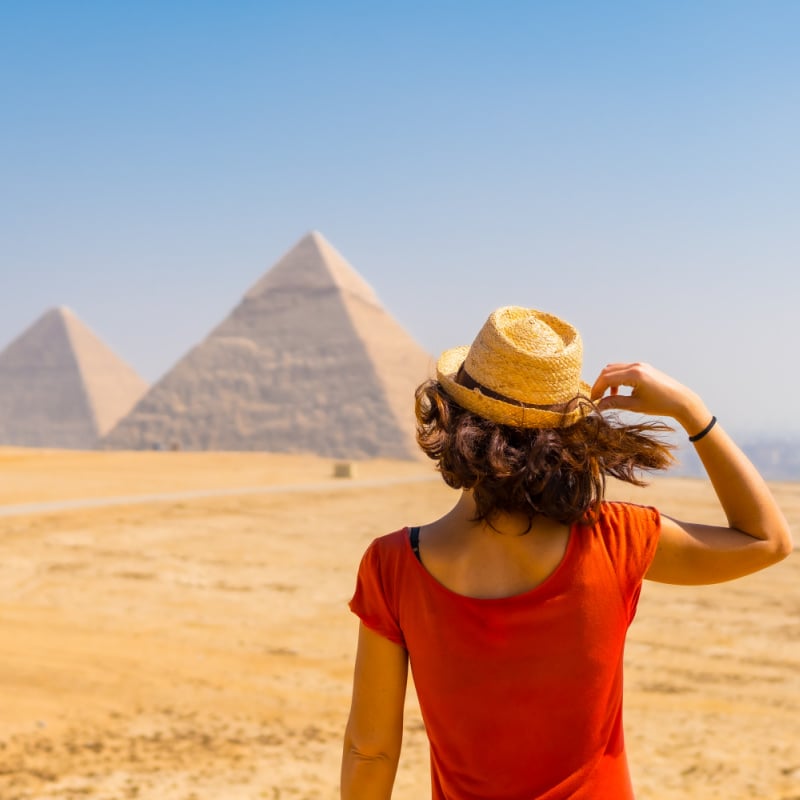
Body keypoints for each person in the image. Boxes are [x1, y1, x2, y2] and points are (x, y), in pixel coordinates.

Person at [340, 306, 792, 800]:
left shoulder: (392, 565)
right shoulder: (616, 538)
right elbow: (766, 540)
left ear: (450, 417)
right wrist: (691, 410)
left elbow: (372, 750)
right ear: (567, 438)